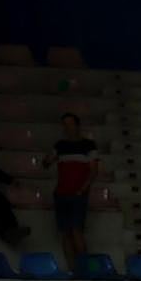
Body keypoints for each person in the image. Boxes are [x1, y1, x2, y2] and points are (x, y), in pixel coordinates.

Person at [42, 112, 98, 271]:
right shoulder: (60, 145)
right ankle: (72, 269)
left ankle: (85, 269)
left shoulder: (89, 145)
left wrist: (82, 190)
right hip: (61, 193)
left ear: (77, 125)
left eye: (70, 124)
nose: (67, 127)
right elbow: (46, 163)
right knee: (65, 233)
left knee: (76, 231)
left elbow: (93, 171)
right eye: (65, 124)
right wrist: (48, 159)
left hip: (77, 194)